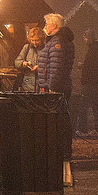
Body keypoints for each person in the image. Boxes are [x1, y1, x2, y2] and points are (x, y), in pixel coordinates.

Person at [38, 13, 76, 178]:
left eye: (46, 24)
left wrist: (50, 88)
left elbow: (56, 67)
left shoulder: (57, 43)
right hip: (61, 87)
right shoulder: (60, 41)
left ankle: (61, 151)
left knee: (58, 121)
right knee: (62, 119)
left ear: (54, 26)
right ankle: (63, 150)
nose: (45, 27)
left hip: (56, 89)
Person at [77, 30, 98, 136]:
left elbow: (92, 67)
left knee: (83, 106)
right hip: (97, 82)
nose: (84, 40)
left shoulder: (93, 50)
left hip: (90, 82)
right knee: (96, 106)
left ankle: (83, 129)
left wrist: (83, 66)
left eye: (85, 38)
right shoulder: (97, 50)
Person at [15, 25, 45, 91]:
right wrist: (23, 63)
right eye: (32, 40)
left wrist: (40, 68)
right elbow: (17, 62)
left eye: (37, 40)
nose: (34, 43)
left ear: (42, 39)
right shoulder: (26, 47)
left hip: (41, 85)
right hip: (26, 85)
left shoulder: (46, 48)